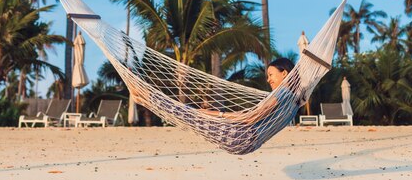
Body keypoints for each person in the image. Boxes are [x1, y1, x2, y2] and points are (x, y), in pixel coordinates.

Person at [129, 57, 300, 154]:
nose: (268, 79)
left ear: (284, 73)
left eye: (271, 74)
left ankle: (146, 96)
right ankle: (145, 100)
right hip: (248, 144)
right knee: (189, 116)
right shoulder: (295, 102)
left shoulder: (282, 94)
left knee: (188, 114)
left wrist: (217, 114)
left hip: (242, 136)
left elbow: (250, 118)